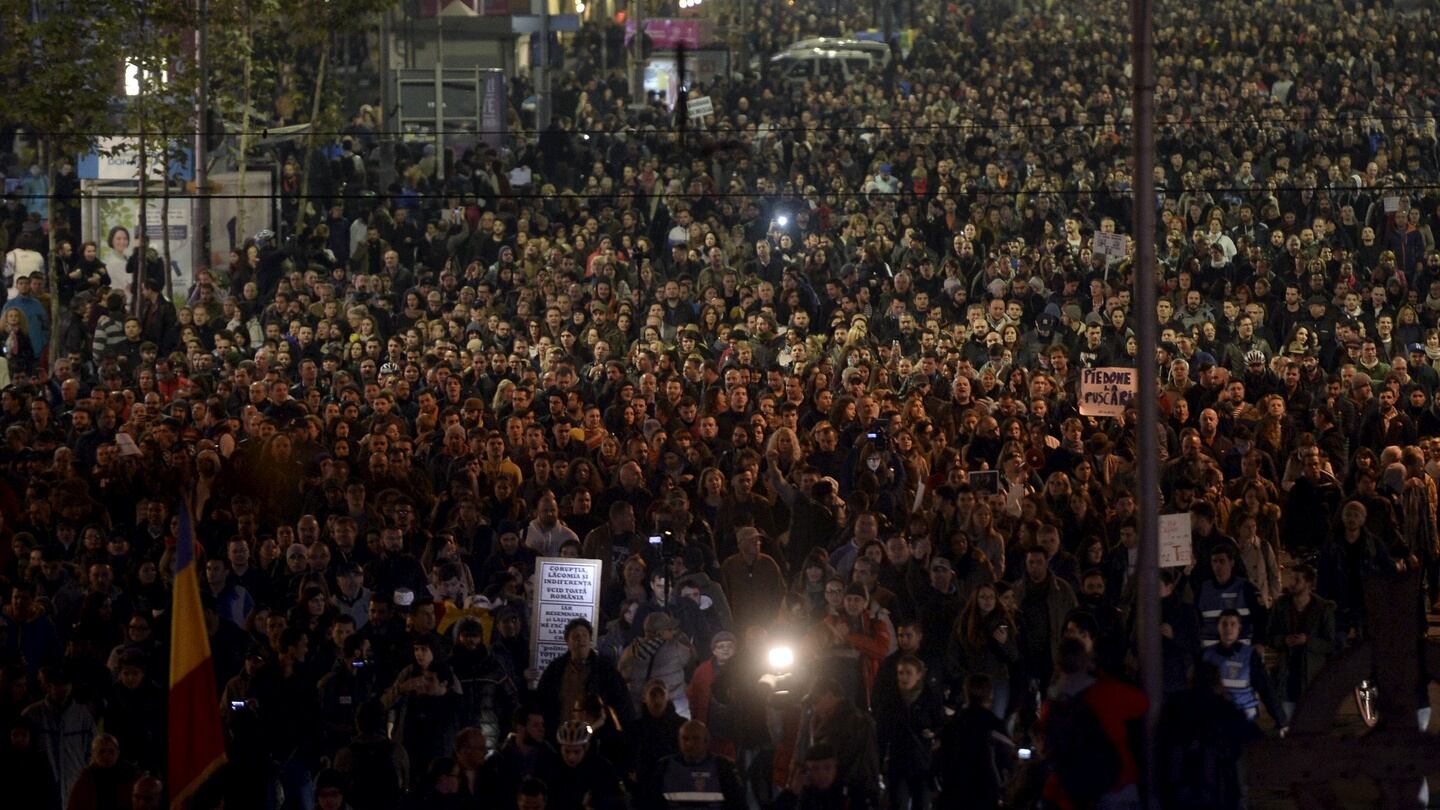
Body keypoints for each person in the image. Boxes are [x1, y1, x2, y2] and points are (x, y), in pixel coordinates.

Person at [1266, 564, 1338, 720]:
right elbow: (1270, 636)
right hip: (1287, 678)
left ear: (1308, 584)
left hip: (1312, 677)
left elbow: (1330, 644)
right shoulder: (1281, 605)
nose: (1291, 583)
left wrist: (1307, 641)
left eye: (1297, 579)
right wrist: (1284, 641)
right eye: (1291, 578)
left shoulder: (1323, 608)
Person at [639, 720, 746, 810]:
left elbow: (738, 804)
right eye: (685, 739)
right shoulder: (664, 766)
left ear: (706, 741)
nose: (689, 744)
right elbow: (651, 803)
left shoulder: (723, 767)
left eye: (695, 738)